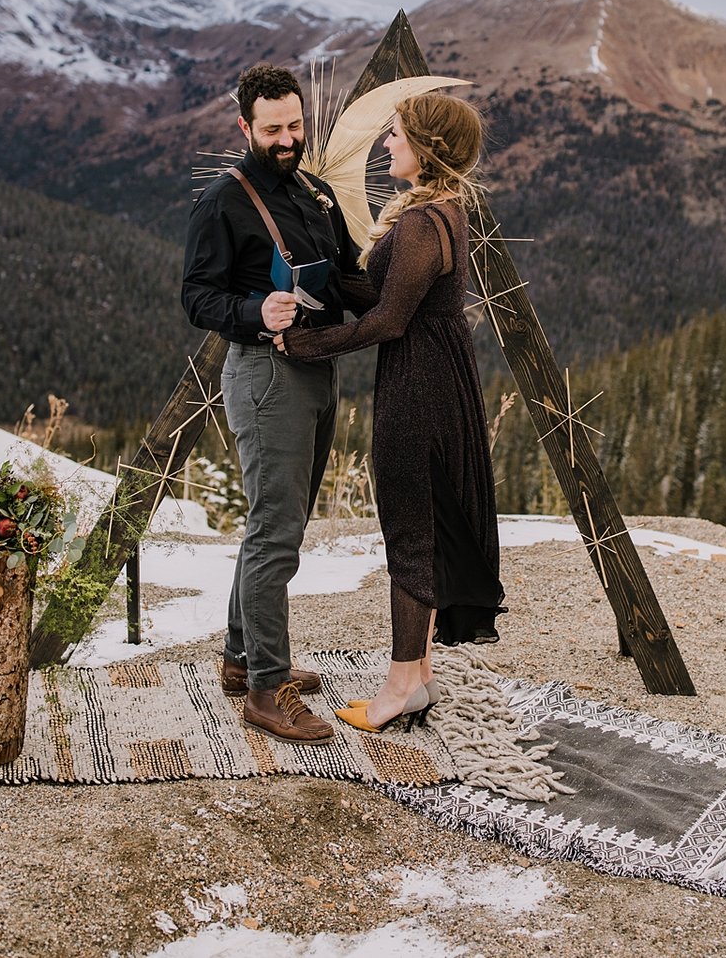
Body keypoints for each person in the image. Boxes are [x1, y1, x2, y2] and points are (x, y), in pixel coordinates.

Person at [275, 92, 505, 732]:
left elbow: (388, 318)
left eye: (396, 134)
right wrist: (320, 266)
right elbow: (380, 289)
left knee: (408, 530)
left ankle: (400, 685)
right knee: (422, 524)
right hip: (437, 376)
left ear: (426, 146)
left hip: (418, 386)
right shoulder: (441, 213)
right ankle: (420, 678)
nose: (386, 145)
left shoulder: (423, 222)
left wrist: (308, 341)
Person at [181, 63, 363, 744]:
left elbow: (345, 275)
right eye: (273, 129)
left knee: (276, 524)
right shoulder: (222, 202)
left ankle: (241, 657)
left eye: (295, 125)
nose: (288, 139)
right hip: (263, 376)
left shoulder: (315, 193)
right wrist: (257, 309)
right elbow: (196, 298)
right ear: (245, 128)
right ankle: (266, 689)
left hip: (317, 373)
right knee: (275, 535)